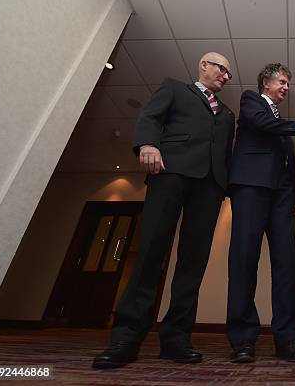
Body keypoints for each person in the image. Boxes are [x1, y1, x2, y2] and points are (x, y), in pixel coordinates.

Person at [93, 52, 236, 369]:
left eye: (229, 73)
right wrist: (148, 144)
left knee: (193, 262)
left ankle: (175, 339)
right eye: (221, 69)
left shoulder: (227, 114)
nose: (226, 76)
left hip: (210, 186)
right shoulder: (174, 88)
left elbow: (226, 152)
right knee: (149, 252)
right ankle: (126, 338)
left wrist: (226, 186)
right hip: (169, 172)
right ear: (203, 65)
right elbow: (150, 117)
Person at [226, 63, 295, 363]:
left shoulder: (279, 124)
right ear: (266, 83)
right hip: (251, 189)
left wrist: (293, 195)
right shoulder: (251, 101)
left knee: (287, 265)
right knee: (243, 261)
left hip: (280, 197)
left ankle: (288, 340)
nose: (286, 88)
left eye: (288, 84)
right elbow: (262, 124)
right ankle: (243, 340)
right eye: (282, 82)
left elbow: (288, 163)